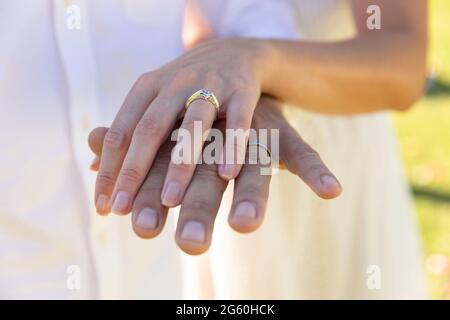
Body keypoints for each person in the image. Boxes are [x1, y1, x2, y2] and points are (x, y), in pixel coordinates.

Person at [0, 0, 426, 299]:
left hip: (294, 136)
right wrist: (224, 72)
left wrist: (254, 68)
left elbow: (400, 57)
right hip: (213, 152)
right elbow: (208, 20)